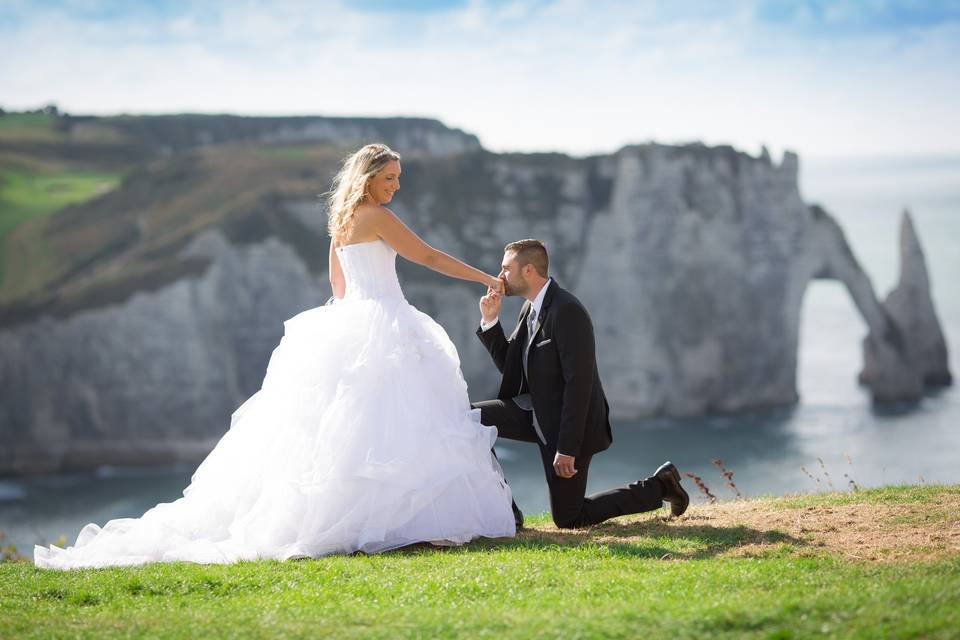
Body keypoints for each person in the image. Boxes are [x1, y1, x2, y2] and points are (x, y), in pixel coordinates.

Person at [34, 143, 515, 569]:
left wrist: (351, 320)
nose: (394, 186)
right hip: (384, 316)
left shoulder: (343, 220)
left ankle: (360, 520)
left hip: (352, 316)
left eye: (397, 179)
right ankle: (394, 520)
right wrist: (484, 279)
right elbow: (427, 257)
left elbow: (337, 285)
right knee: (393, 423)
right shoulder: (377, 216)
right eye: (388, 178)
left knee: (344, 431)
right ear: (367, 177)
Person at [472, 239, 689, 529]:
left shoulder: (567, 311)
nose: (499, 277)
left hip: (569, 426)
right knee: (472, 419)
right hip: (536, 412)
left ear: (528, 270)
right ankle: (506, 511)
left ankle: (660, 486)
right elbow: (512, 368)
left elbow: (580, 385)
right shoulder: (530, 308)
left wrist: (567, 448)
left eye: (505, 268)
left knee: (569, 518)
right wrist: (490, 321)